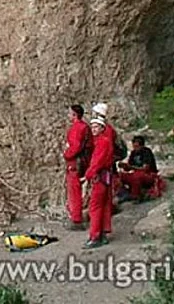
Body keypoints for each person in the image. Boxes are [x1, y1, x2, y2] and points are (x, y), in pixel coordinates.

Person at [83, 115, 115, 249]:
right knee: (103, 205)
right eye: (93, 127)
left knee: (95, 207)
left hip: (99, 177)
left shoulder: (102, 142)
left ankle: (95, 236)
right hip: (105, 176)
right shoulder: (104, 141)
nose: (94, 129)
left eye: (96, 127)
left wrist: (87, 175)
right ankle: (102, 233)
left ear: (102, 128)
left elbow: (97, 162)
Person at [62, 104, 92, 230]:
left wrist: (66, 154)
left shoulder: (77, 128)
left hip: (75, 163)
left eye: (70, 113)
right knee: (77, 190)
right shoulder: (85, 127)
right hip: (83, 162)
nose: (68, 115)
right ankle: (77, 216)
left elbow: (75, 147)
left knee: (74, 191)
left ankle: (76, 219)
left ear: (74, 115)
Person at [117, 136, 160, 202]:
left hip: (149, 174)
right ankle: (124, 193)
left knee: (137, 177)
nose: (135, 148)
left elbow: (145, 168)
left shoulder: (146, 152)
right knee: (119, 176)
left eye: (137, 146)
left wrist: (131, 167)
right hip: (136, 173)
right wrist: (124, 166)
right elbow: (129, 167)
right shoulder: (133, 153)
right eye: (134, 146)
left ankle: (136, 196)